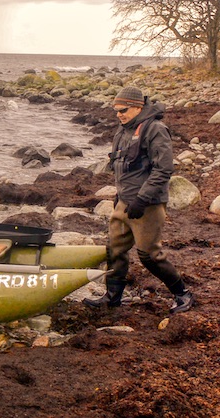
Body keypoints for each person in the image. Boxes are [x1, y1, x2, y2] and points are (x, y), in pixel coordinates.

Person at [84, 86, 195, 313]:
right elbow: (122, 167)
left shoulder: (155, 129)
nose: (118, 114)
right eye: (116, 110)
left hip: (148, 204)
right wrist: (119, 196)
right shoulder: (122, 130)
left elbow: (163, 169)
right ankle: (112, 297)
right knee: (115, 250)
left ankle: (182, 294)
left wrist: (142, 200)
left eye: (123, 110)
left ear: (138, 107)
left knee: (149, 255)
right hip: (124, 202)